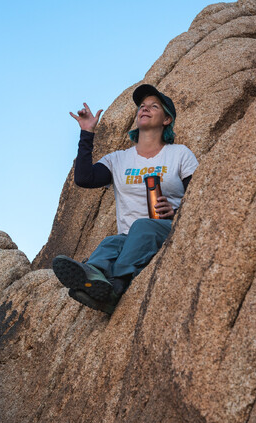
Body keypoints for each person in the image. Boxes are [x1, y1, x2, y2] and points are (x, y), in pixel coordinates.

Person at [52, 84, 199, 314]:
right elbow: (84, 178)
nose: (144, 109)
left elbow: (199, 196)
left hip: (168, 228)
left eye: (154, 106)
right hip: (129, 239)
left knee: (142, 227)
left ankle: (116, 285)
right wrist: (87, 133)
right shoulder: (119, 159)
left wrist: (176, 212)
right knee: (111, 242)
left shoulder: (179, 154)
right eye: (142, 106)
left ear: (167, 119)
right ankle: (92, 276)